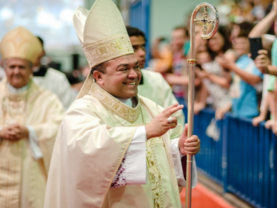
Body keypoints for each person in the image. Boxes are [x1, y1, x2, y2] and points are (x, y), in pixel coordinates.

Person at [44, 1, 200, 207]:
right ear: (98, 76)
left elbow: (157, 162)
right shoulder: (83, 111)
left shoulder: (150, 107)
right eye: (123, 69)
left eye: (136, 66)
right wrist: (145, 132)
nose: (134, 74)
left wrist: (178, 149)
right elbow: (87, 159)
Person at [0, 27, 64, 208]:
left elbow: (60, 128)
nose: (16, 72)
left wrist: (30, 131)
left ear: (31, 69)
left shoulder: (47, 98)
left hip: (33, 176)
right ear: (4, 67)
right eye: (11, 67)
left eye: (21, 67)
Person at [126, 26, 185, 126]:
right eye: (134, 48)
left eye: (143, 47)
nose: (142, 53)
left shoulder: (156, 79)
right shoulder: (110, 84)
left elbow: (176, 117)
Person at [216, 30, 263, 119]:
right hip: (237, 112)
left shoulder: (255, 60)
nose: (239, 46)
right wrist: (225, 108)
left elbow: (255, 80)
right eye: (236, 43)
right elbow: (234, 87)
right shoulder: (238, 61)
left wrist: (231, 66)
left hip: (251, 111)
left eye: (243, 43)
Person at [33, 37, 75, 109]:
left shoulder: (58, 78)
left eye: (37, 49)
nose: (34, 52)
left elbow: (67, 106)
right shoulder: (16, 79)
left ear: (43, 52)